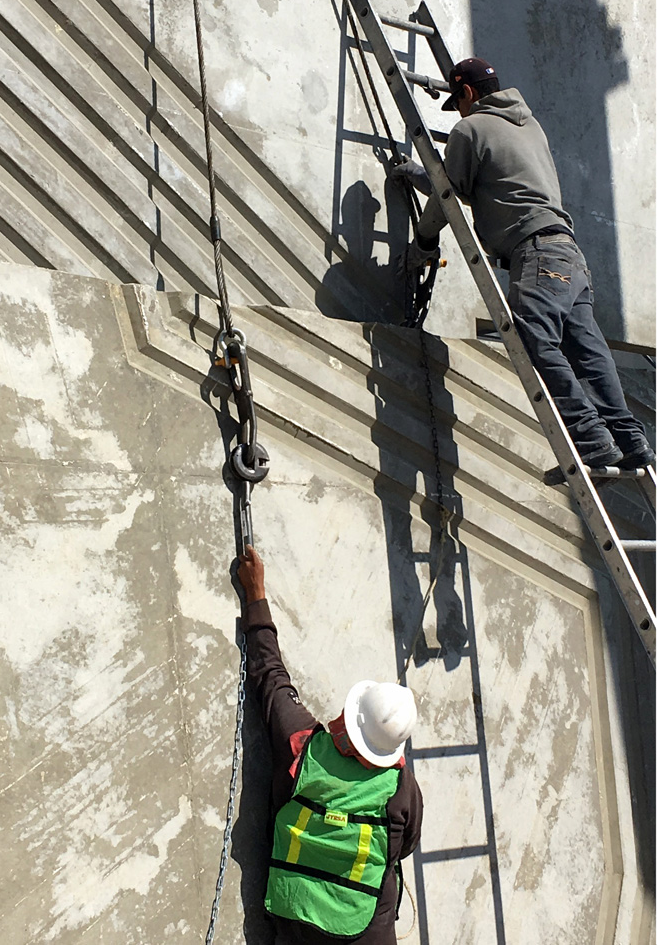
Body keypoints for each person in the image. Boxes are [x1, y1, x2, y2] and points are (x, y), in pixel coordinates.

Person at [396, 57, 654, 471]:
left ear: (465, 93)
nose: (457, 112)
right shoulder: (530, 125)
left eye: (457, 102)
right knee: (589, 352)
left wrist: (423, 233)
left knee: (534, 338)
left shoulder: (470, 129)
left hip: (534, 254)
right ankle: (631, 440)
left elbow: (448, 194)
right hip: (569, 253)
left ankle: (590, 437)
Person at [238, 543, 422, 944]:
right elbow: (405, 846)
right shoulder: (401, 787)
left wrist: (256, 595)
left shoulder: (303, 746)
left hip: (296, 917)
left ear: (348, 727)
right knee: (385, 879)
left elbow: (269, 674)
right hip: (364, 933)